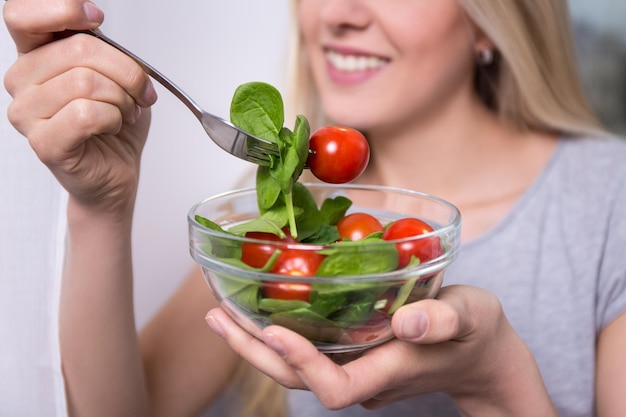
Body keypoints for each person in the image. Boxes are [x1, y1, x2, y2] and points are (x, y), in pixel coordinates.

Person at [3, 0, 626, 416]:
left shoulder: (609, 200)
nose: (336, 14)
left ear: (491, 19)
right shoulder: (286, 220)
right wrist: (101, 207)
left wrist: (494, 377)